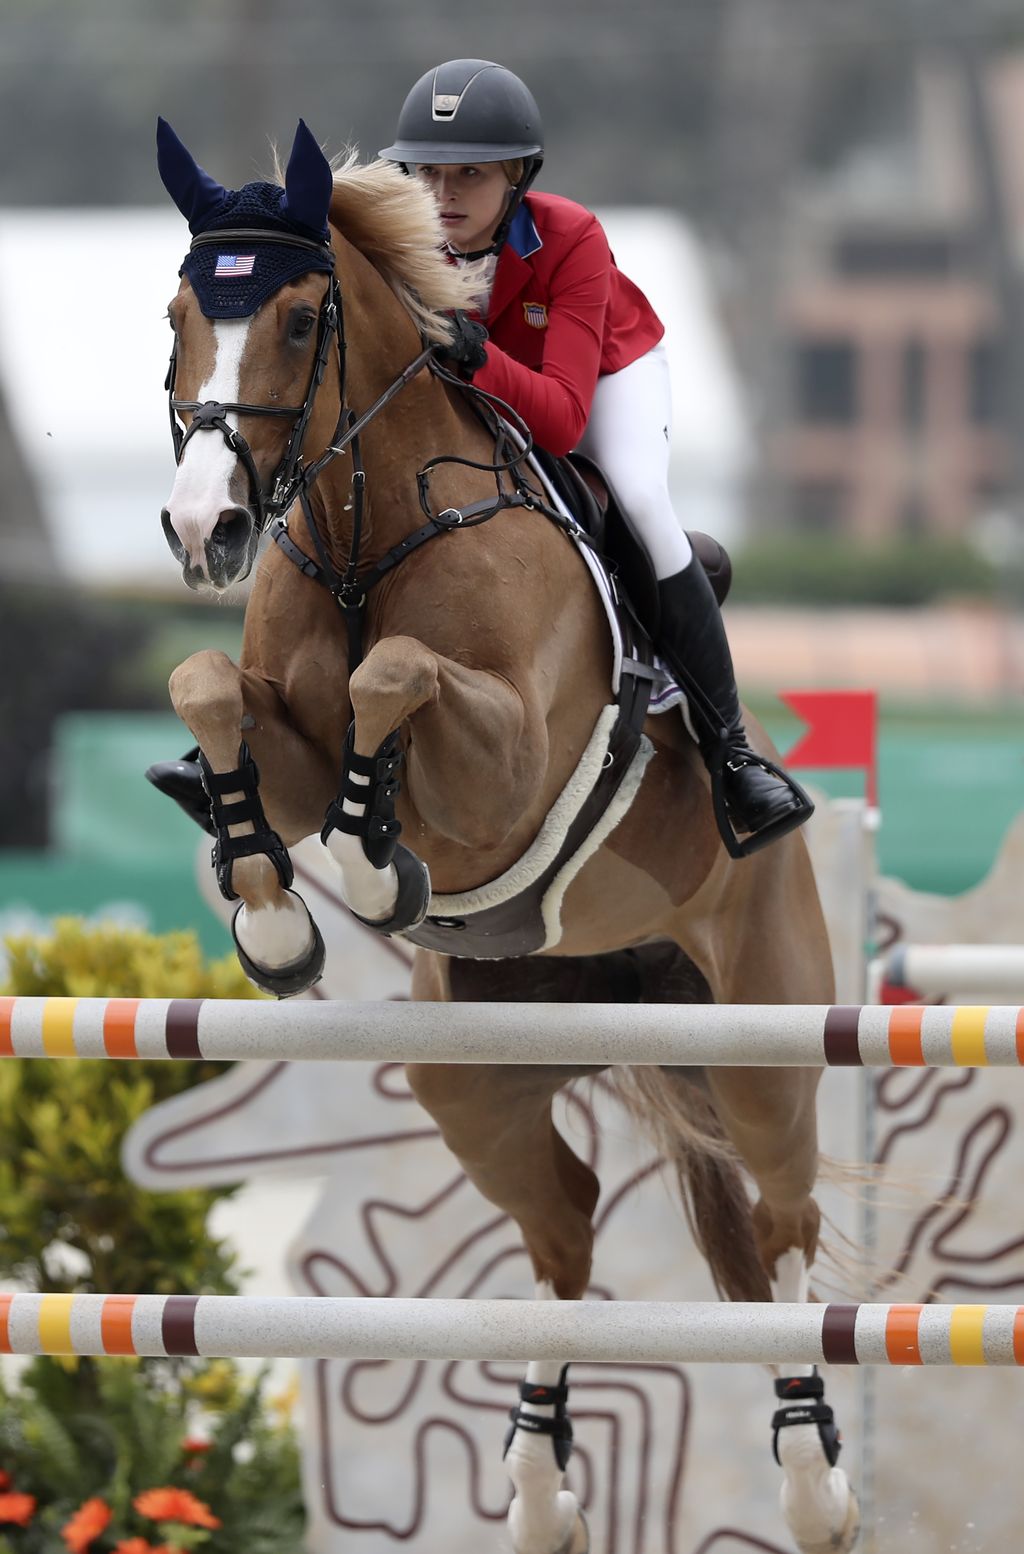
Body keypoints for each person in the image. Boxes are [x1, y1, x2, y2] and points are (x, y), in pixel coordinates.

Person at [379, 59, 812, 853]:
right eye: (428, 173)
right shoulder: (402, 246)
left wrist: (476, 356)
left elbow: (560, 416)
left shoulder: (572, 235)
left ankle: (732, 754)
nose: (443, 196)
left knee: (639, 496)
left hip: (602, 375)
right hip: (482, 379)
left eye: (469, 174)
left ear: (518, 176)